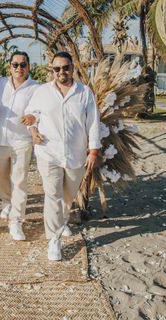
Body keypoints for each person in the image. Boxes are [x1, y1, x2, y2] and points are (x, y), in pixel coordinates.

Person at [25, 51, 101, 261]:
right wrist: (32, 129)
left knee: (67, 196)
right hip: (48, 152)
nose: (61, 72)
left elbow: (93, 122)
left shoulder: (84, 93)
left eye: (65, 67)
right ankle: (54, 240)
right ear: (52, 70)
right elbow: (32, 114)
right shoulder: (42, 92)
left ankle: (63, 219)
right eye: (56, 68)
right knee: (53, 195)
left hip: (75, 154)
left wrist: (93, 150)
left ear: (72, 68)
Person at [0, 51, 38, 241]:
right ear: (9, 67)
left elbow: (39, 109)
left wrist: (33, 116)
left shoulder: (36, 88)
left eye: (23, 64)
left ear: (28, 67)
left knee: (19, 181)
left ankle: (16, 221)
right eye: (15, 64)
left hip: (22, 142)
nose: (19, 68)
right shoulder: (0, 83)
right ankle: (6, 201)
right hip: (0, 140)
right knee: (0, 175)